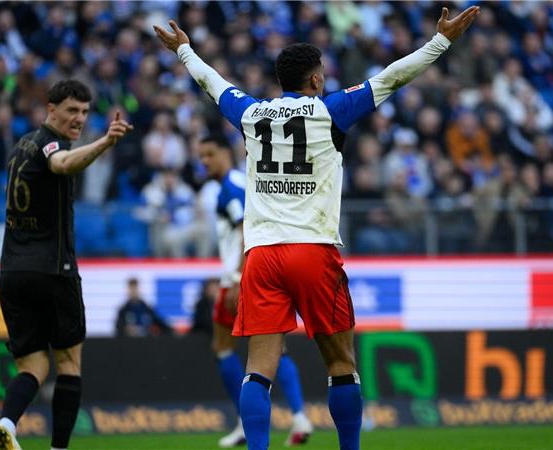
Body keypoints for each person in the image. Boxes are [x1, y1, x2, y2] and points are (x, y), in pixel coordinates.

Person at [155, 7, 479, 450]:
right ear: (315, 79)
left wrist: (185, 51)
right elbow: (392, 77)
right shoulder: (332, 111)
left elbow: (214, 85)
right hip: (313, 250)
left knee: (258, 367)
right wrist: (441, 41)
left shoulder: (252, 114)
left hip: (263, 255)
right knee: (341, 362)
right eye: (322, 72)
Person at [0, 79, 131, 450]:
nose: (79, 118)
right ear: (50, 108)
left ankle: (8, 422)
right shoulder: (52, 145)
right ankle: (58, 449)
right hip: (54, 271)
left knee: (33, 368)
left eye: (85, 112)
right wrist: (105, 141)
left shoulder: (20, 146)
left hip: (12, 273)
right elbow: (63, 163)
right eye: (72, 110)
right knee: (69, 363)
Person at [198, 136, 313, 447]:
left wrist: (237, 276)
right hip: (267, 272)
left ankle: (242, 421)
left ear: (225, 153)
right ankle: (300, 415)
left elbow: (243, 227)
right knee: (275, 348)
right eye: (201, 156)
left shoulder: (229, 187)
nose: (204, 161)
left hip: (240, 277)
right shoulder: (243, 182)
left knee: (223, 347)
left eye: (210, 153)